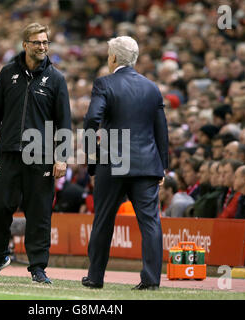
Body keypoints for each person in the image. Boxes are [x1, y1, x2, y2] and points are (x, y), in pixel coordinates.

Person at [0, 23, 71, 284]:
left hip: (40, 156)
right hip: (8, 152)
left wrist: (61, 155)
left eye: (45, 42)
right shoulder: (7, 73)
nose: (42, 46)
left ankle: (38, 267)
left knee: (39, 213)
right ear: (25, 45)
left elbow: (64, 122)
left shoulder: (56, 79)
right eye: (37, 42)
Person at [82, 36, 168, 290]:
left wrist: (93, 156)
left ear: (113, 58)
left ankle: (95, 277)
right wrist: (161, 165)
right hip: (147, 164)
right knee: (150, 222)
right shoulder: (152, 87)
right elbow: (161, 130)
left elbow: (91, 120)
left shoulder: (105, 83)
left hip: (113, 161)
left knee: (104, 220)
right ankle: (151, 280)